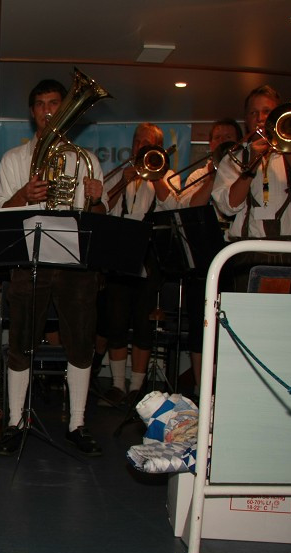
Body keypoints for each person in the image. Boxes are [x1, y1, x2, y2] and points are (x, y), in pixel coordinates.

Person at [0, 78, 106, 457]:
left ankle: (77, 422)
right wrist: (24, 196)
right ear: (32, 112)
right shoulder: (14, 159)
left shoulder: (85, 159)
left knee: (80, 341)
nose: (47, 111)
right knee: (21, 343)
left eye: (55, 103)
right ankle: (14, 422)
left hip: (75, 264)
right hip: (29, 261)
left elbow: (100, 220)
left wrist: (97, 199)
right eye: (40, 104)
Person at [98, 123, 182, 407]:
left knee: (144, 321)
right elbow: (100, 208)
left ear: (157, 147)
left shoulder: (168, 175)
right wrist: (123, 181)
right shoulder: (121, 173)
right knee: (117, 320)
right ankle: (118, 386)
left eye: (147, 143)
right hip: (120, 252)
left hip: (150, 254)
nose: (141, 147)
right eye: (137, 142)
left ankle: (137, 387)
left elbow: (173, 207)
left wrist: (155, 175)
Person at [212, 84, 291, 292]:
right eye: (253, 113)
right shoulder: (234, 159)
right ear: (246, 120)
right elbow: (228, 206)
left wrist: (288, 145)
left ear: (277, 114)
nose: (260, 118)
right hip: (248, 253)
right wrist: (250, 164)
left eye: (266, 112)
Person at [180, 118, 242, 395]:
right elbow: (193, 205)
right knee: (199, 324)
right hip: (204, 257)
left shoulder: (249, 168)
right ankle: (199, 390)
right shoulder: (198, 175)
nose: (222, 141)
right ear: (211, 144)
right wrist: (219, 172)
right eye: (218, 138)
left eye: (228, 137)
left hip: (235, 252)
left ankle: (228, 391)